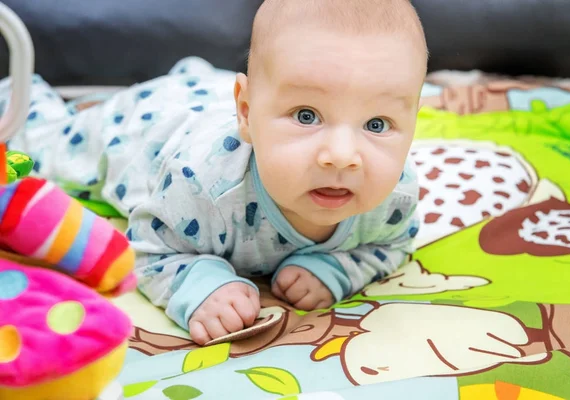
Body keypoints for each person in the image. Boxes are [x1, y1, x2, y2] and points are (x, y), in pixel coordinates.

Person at [5, 0, 428, 345]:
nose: (341, 156)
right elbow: (148, 246)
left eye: (376, 124)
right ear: (245, 112)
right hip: (148, 127)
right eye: (306, 115)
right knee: (46, 144)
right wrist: (200, 283)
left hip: (217, 93)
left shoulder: (395, 197)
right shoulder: (200, 184)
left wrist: (335, 268)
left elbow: (391, 245)